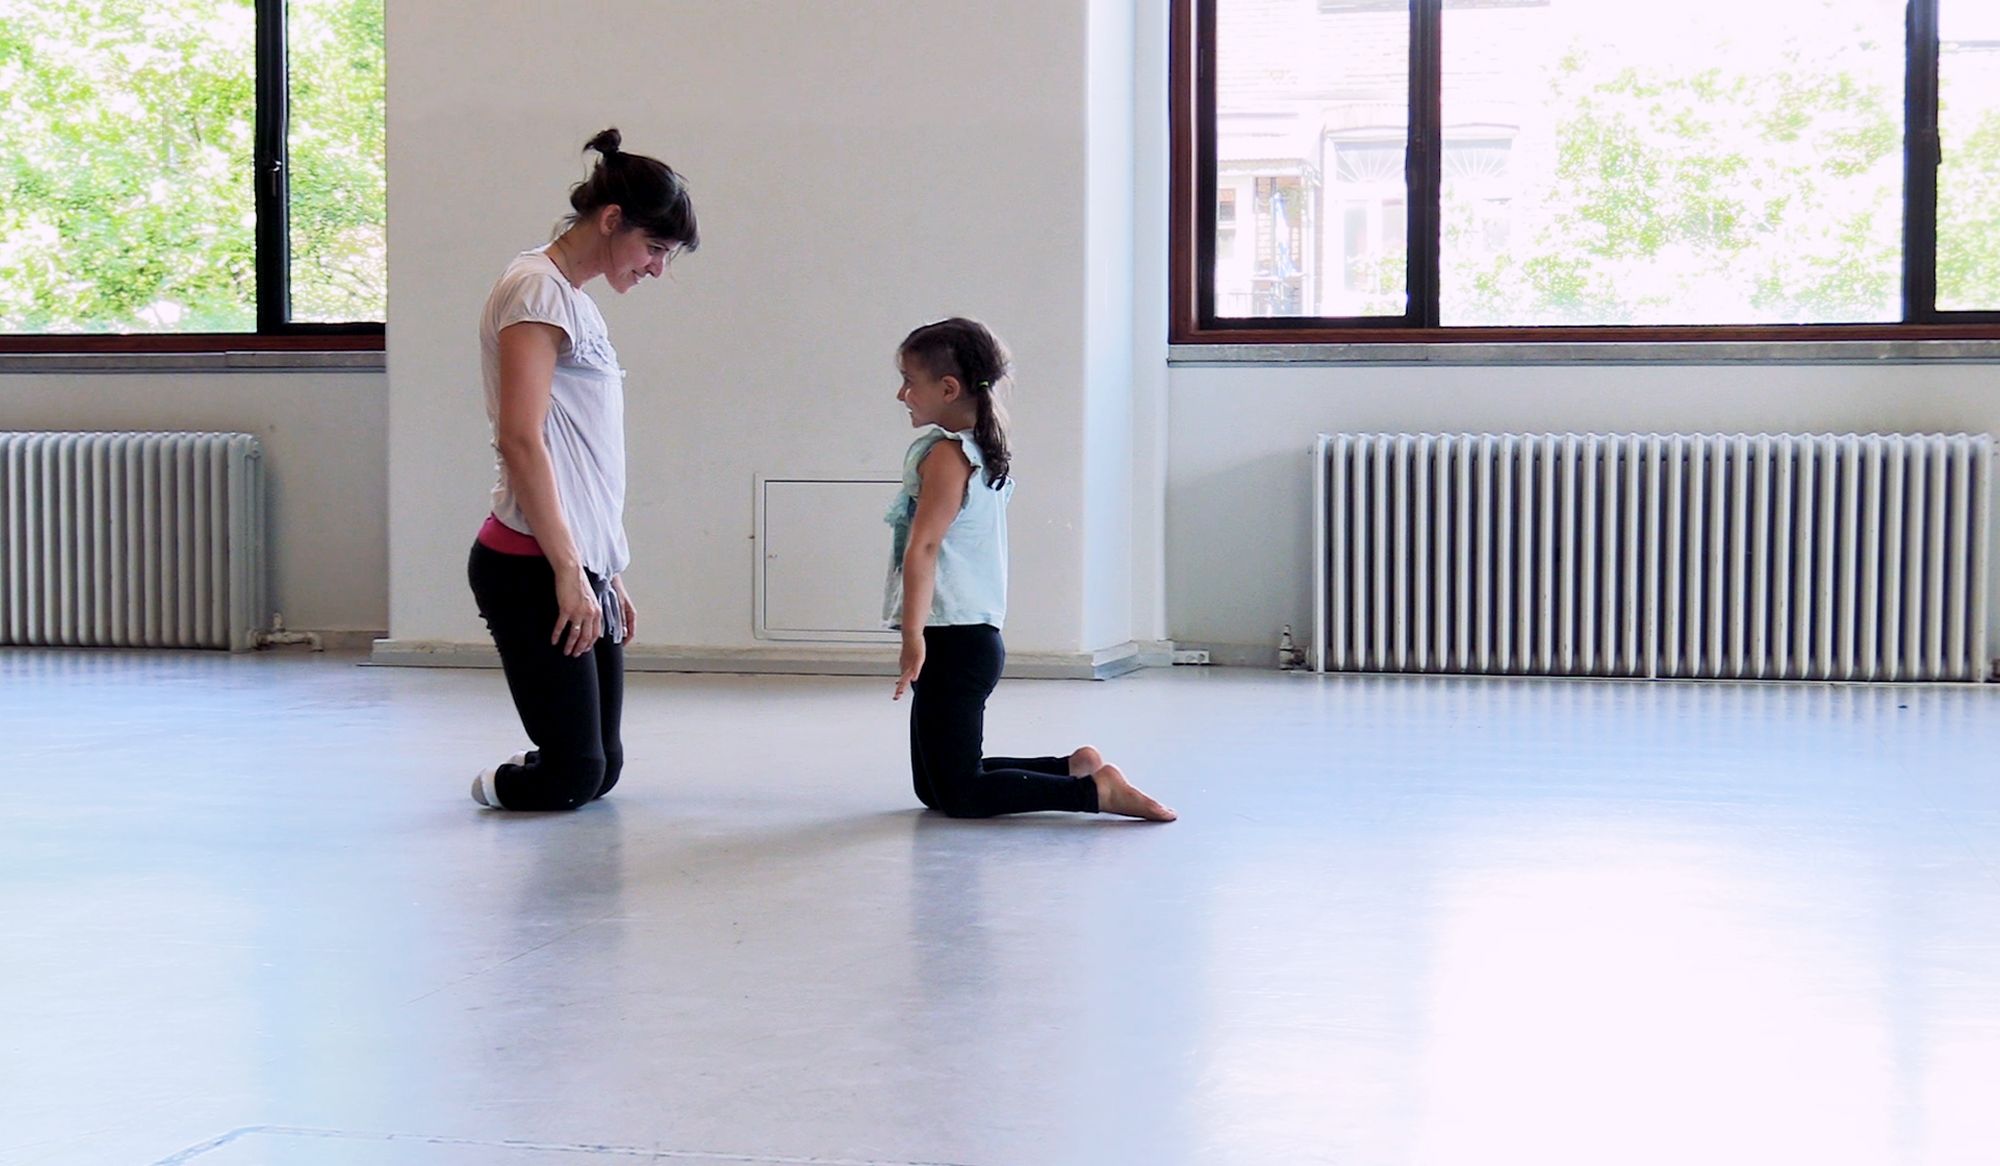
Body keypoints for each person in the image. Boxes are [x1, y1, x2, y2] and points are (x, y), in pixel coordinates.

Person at [466, 127, 698, 811]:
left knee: (603, 769)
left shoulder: (575, 300)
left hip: (575, 557)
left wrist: (605, 567)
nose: (657, 268)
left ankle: (556, 744)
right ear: (611, 220)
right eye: (654, 248)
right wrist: (570, 571)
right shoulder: (535, 292)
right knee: (571, 778)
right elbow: (520, 439)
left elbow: (583, 453)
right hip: (528, 564)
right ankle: (491, 786)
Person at [886, 318, 1176, 822]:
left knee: (957, 794)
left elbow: (925, 547)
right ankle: (1073, 768)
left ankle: (1096, 792)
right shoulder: (978, 451)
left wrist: (913, 635)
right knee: (935, 788)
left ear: (948, 388)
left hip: (953, 639)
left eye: (910, 381)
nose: (901, 393)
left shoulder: (947, 457)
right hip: (964, 637)